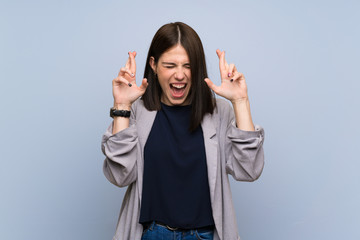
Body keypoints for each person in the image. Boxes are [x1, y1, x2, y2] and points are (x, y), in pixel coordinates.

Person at [101, 22, 265, 240]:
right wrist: (122, 106)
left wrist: (241, 101)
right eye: (170, 65)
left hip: (205, 235)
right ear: (153, 64)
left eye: (188, 66)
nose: (180, 75)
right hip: (151, 234)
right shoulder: (137, 112)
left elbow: (249, 170)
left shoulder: (219, 113)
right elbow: (119, 176)